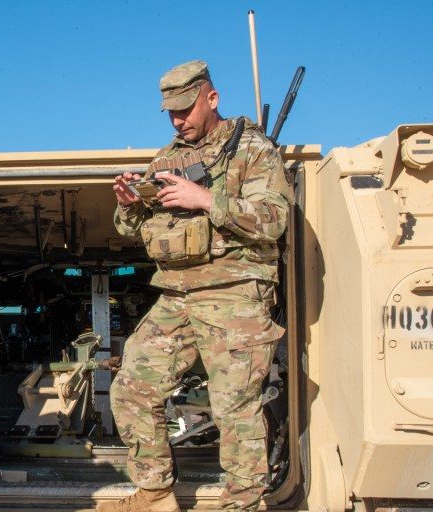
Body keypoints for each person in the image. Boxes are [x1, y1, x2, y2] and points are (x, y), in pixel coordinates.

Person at [101, 60, 292, 512]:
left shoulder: (253, 150)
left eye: (186, 109)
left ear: (212, 99)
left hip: (235, 293)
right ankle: (155, 493)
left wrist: (206, 200)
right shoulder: (168, 158)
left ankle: (242, 504)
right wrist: (128, 205)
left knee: (234, 407)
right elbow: (134, 228)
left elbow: (275, 220)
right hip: (177, 295)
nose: (178, 120)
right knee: (131, 388)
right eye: (170, 112)